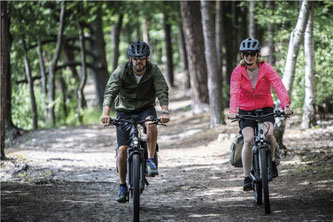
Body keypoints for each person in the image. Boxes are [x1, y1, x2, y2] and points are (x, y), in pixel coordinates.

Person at [101, 41, 170, 203]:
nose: (138, 61)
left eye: (142, 58)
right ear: (130, 59)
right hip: (124, 109)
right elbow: (110, 91)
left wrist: (165, 111)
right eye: (135, 58)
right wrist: (105, 113)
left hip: (145, 107)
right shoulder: (122, 70)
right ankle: (122, 186)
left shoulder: (154, 70)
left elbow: (161, 89)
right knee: (123, 150)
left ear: (147, 58)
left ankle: (151, 160)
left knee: (151, 124)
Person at [228, 38, 293, 191]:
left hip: (265, 108)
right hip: (245, 109)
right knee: (249, 140)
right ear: (242, 55)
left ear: (257, 54)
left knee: (269, 135)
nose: (249, 57)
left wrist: (286, 105)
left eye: (252, 54)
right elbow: (234, 92)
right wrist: (232, 111)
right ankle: (246, 177)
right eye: (245, 54)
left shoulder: (267, 68)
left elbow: (279, 86)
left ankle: (271, 162)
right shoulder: (238, 71)